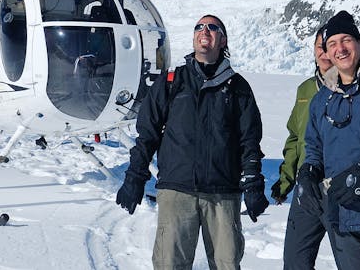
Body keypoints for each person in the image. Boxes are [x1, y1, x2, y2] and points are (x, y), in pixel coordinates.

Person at [115, 14, 269, 270]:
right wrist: (135, 177)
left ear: (223, 40)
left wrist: (253, 182)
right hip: (177, 190)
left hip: (223, 194)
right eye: (199, 26)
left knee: (227, 264)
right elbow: (147, 135)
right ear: (194, 37)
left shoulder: (237, 87)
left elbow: (250, 141)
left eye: (212, 27)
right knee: (169, 265)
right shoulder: (172, 81)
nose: (204, 30)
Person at [299, 10, 360, 270]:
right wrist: (309, 170)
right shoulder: (321, 100)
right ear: (326, 52)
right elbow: (313, 145)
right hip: (342, 213)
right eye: (332, 44)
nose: (340, 48)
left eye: (346, 40)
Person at [271, 27, 334, 269]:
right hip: (307, 187)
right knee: (296, 261)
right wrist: (285, 181)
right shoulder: (305, 90)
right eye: (319, 46)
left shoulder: (354, 86)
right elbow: (296, 138)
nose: (324, 52)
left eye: (328, 46)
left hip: (341, 187)